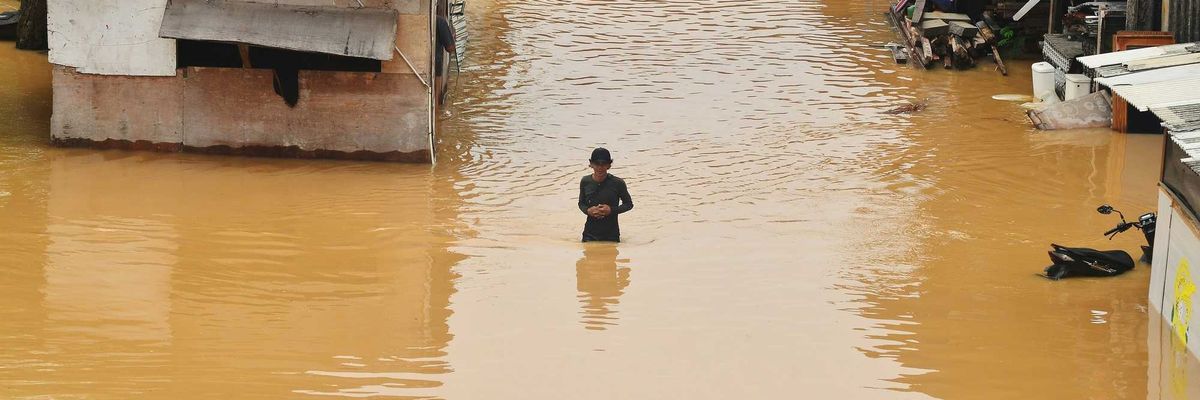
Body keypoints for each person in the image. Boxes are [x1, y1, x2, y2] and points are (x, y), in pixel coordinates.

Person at [577, 148, 634, 242]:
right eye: (596, 164)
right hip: (589, 235)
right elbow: (581, 203)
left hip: (611, 235)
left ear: (609, 165)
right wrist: (588, 210)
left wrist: (611, 210)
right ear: (591, 164)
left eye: (603, 164)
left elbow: (629, 204)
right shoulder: (585, 181)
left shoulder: (618, 183)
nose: (600, 167)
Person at [434, 1, 457, 110]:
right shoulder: (440, 21)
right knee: (436, 103)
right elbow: (450, 48)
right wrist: (453, 37)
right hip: (435, 68)